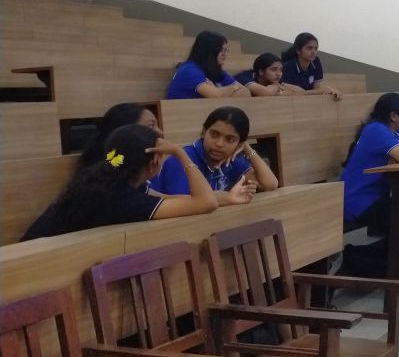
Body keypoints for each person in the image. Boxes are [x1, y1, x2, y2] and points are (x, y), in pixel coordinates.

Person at [23, 124, 219, 240]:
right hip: (37, 262)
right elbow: (206, 202)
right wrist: (180, 153)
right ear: (154, 161)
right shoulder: (124, 198)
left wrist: (229, 198)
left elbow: (175, 199)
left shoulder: (111, 181)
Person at [338, 94, 399, 280]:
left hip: (376, 196)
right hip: (358, 199)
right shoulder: (376, 130)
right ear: (393, 116)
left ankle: (362, 260)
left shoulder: (397, 132)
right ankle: (358, 260)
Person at [148, 106, 278, 205]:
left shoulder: (230, 160)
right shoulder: (181, 160)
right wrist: (226, 198)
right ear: (204, 131)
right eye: (214, 134)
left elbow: (270, 184)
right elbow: (183, 204)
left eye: (230, 139)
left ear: (239, 144)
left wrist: (247, 149)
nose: (219, 144)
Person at [166, 30, 249, 99]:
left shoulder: (218, 72)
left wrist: (219, 89)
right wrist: (232, 88)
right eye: (220, 50)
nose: (225, 54)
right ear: (207, 51)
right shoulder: (189, 70)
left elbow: (246, 93)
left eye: (226, 50)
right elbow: (215, 96)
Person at [281, 33, 341, 100]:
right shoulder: (287, 67)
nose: (313, 52)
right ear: (298, 50)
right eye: (309, 48)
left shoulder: (316, 61)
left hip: (309, 101)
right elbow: (287, 94)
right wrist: (319, 91)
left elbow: (316, 90)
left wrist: (331, 91)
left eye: (315, 48)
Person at [237, 52, 307, 96]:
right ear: (261, 72)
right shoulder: (244, 78)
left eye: (281, 70)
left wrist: (280, 89)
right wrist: (277, 86)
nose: (278, 74)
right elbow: (266, 93)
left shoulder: (272, 79)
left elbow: (300, 90)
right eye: (274, 69)